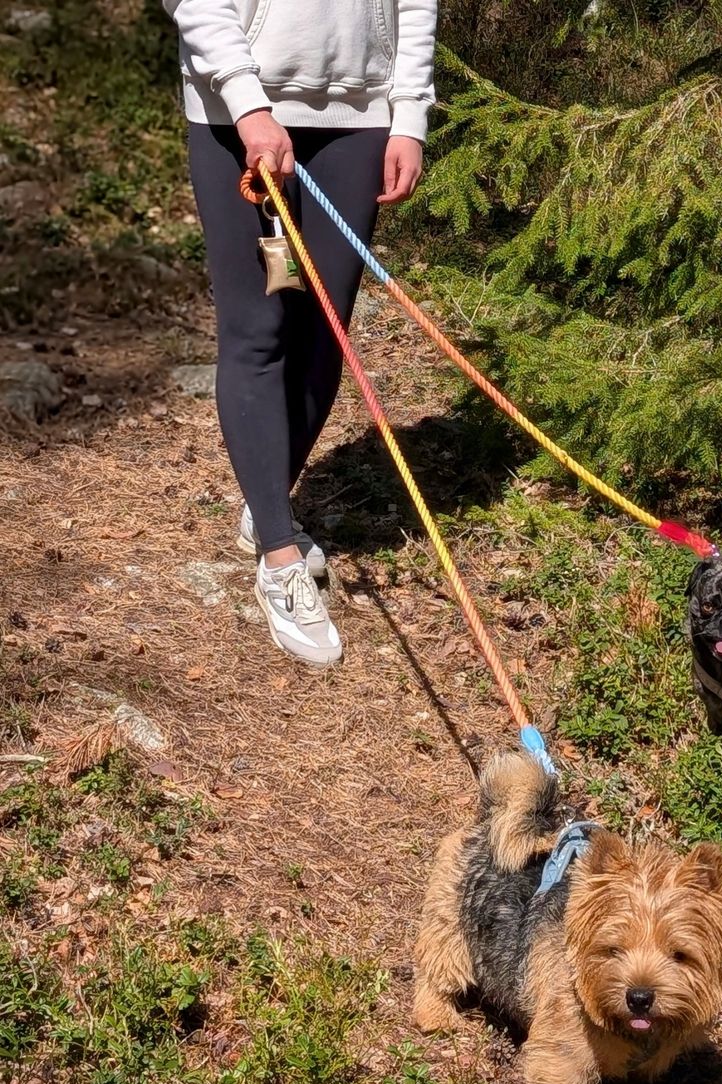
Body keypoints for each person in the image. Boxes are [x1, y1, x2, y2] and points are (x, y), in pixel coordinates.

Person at [164, 0, 437, 666]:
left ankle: (267, 502)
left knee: (324, 332)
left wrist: (409, 117)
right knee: (258, 330)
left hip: (359, 118)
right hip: (237, 113)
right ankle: (280, 561)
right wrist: (247, 101)